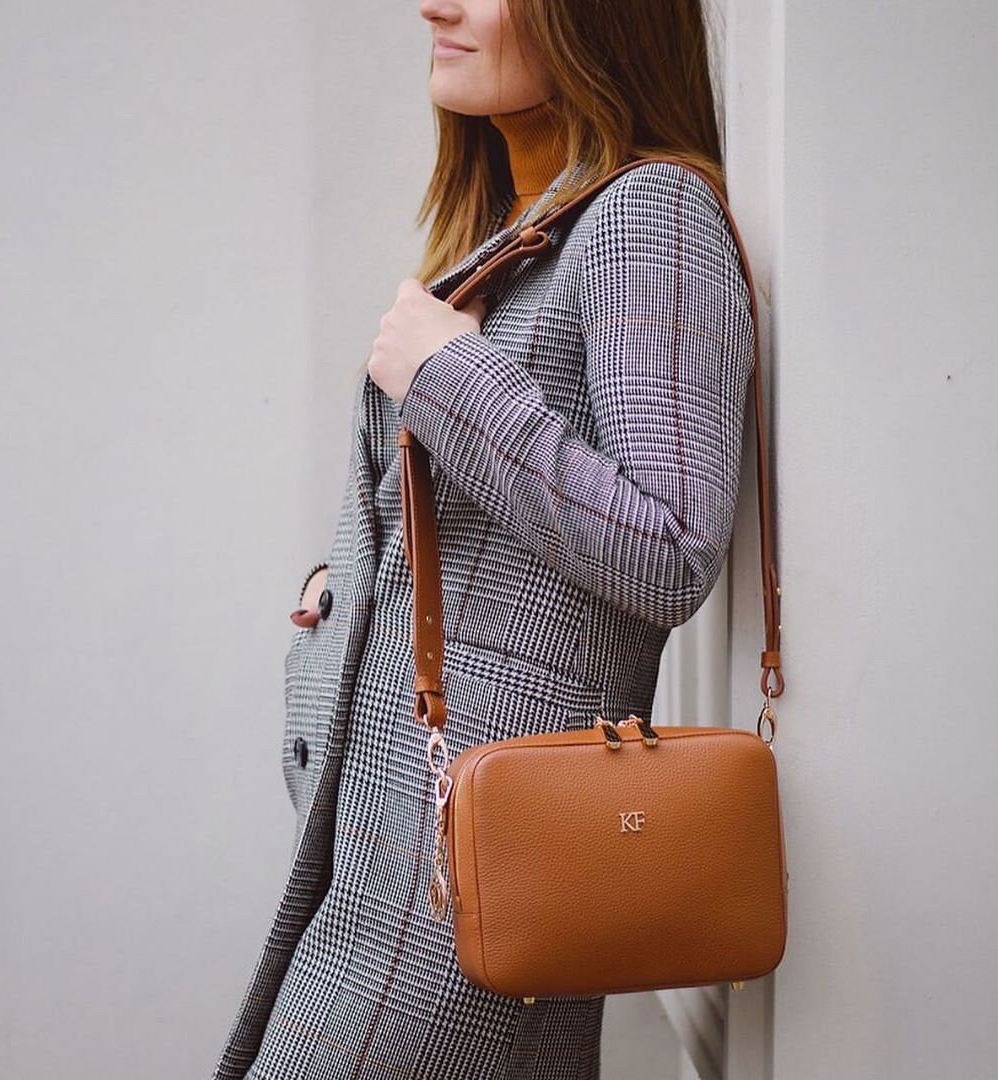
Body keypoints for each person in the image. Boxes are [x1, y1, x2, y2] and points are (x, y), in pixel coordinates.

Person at [212, 0, 755, 1076]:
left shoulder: (651, 215)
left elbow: (674, 545)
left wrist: (447, 375)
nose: (437, 4)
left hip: (466, 904)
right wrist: (346, 584)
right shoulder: (524, 228)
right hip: (396, 865)